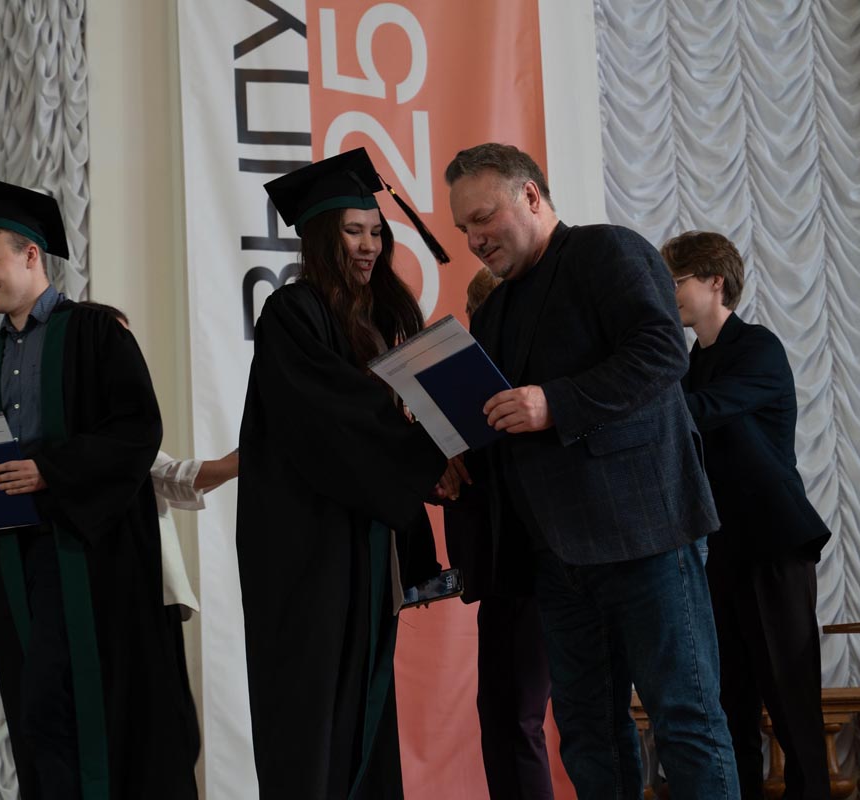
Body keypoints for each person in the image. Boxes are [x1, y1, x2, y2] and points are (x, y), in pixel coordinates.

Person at [444, 143, 738, 799]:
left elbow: (662, 353)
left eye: (483, 218)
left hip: (647, 534)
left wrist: (555, 402)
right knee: (586, 735)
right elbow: (500, 422)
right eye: (463, 228)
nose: (474, 239)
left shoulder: (608, 250)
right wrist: (457, 458)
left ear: (530, 196)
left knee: (686, 721)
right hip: (557, 558)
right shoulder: (494, 310)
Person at [0, 177, 199, 799]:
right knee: (40, 711)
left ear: (31, 254)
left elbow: (137, 429)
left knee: (97, 709)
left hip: (92, 556)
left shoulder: (98, 333)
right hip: (17, 557)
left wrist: (52, 469)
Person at [238, 148, 452, 799]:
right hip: (305, 544)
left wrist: (444, 435)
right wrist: (427, 453)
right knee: (310, 704)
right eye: (353, 231)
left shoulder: (382, 317)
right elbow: (331, 413)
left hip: (363, 535)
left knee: (365, 694)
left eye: (376, 232)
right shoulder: (291, 311)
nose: (368, 246)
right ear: (320, 238)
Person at [663, 230, 832, 800]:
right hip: (717, 551)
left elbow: (703, 411)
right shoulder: (688, 363)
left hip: (772, 545)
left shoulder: (757, 347)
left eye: (675, 281)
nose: (669, 294)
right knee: (729, 704)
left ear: (715, 281)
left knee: (790, 703)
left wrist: (633, 400)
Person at [444, 267, 554, 800]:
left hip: (537, 570)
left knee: (519, 716)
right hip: (498, 572)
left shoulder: (532, 388)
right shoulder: (478, 393)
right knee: (499, 714)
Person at [75, 299, 240, 621]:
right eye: (117, 342)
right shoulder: (89, 421)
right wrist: (246, 458)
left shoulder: (118, 412)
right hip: (115, 585)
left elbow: (170, 478)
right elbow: (169, 476)